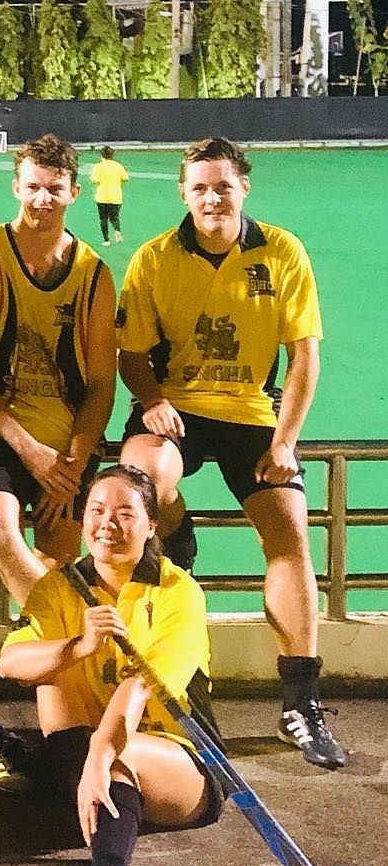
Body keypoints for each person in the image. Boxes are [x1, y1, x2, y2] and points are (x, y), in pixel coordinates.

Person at [116, 137, 342, 769]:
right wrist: (152, 398)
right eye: (200, 188)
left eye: (223, 186)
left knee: (290, 531)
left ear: (245, 187)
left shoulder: (282, 252)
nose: (212, 197)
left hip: (251, 411)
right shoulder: (155, 258)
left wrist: (286, 442)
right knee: (140, 484)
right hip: (175, 407)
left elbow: (304, 357)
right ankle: (177, 543)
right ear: (183, 194)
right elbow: (131, 354)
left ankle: (301, 701)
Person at [0, 465, 224, 866]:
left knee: (123, 753)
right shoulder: (60, 585)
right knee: (51, 664)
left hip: (179, 761)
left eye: (126, 514)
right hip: (92, 740)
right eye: (98, 511)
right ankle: (56, 764)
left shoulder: (177, 590)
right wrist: (77, 646)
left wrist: (102, 751)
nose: (108, 524)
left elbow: (141, 686)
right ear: (82, 521)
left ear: (151, 526)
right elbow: (10, 663)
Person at [0, 134, 117, 605]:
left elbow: (103, 384)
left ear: (73, 193)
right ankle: (62, 632)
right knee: (1, 535)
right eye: (33, 187)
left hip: (68, 442)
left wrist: (71, 466)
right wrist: (30, 452)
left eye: (54, 189)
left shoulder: (94, 274)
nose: (43, 200)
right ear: (16, 187)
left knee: (60, 560)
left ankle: (50, 657)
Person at [89, 147, 129, 246]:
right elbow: (125, 178)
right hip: (116, 196)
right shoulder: (118, 166)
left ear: (102, 155)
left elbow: (94, 180)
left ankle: (106, 240)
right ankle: (117, 231)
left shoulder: (98, 167)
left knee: (103, 219)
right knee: (115, 217)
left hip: (102, 196)